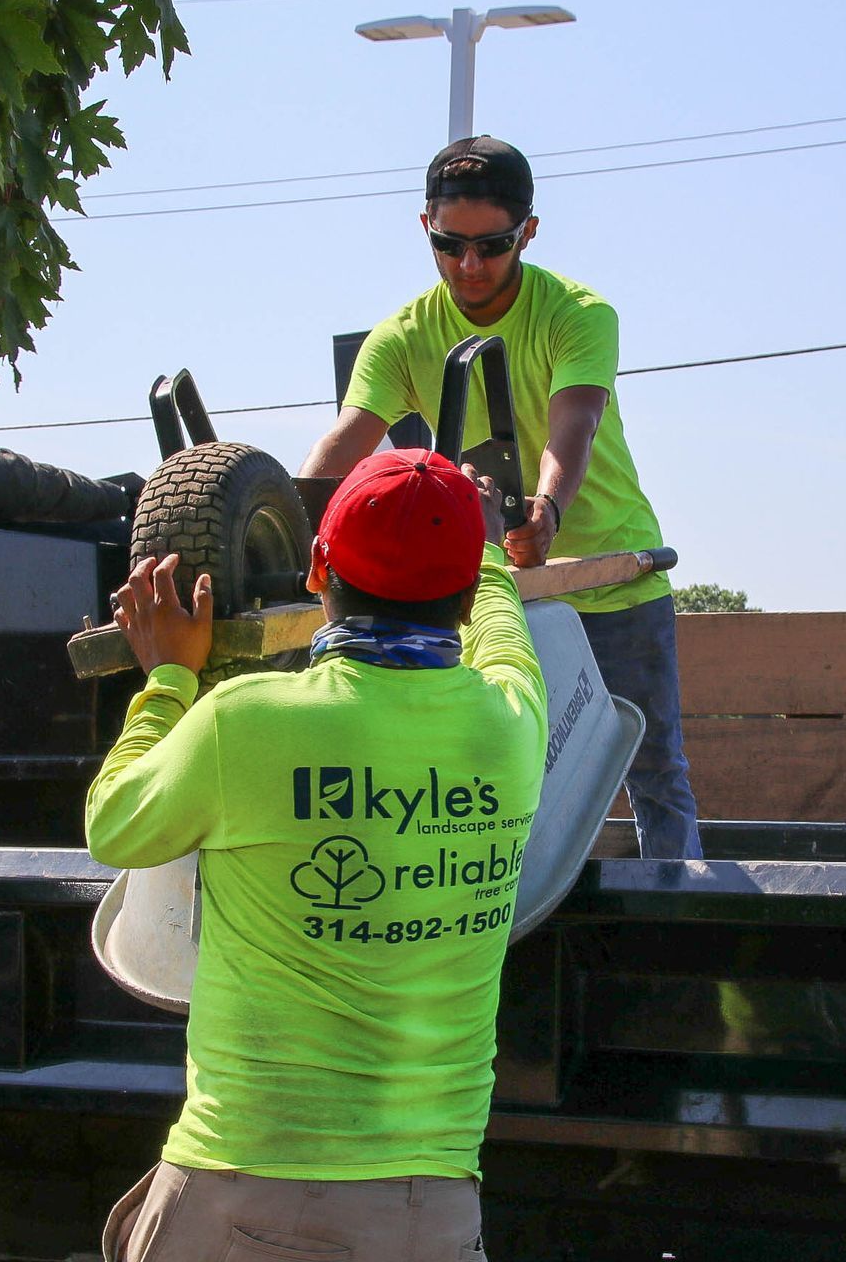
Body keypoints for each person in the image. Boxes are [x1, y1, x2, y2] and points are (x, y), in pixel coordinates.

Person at [86, 449, 549, 1262]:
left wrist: (165, 678)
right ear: (468, 594)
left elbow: (116, 828)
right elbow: (503, 630)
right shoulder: (511, 728)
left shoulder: (246, 723)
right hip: (433, 1213)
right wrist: (483, 543)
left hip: (246, 1190)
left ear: (315, 569)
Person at [301, 135, 701, 861]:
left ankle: (673, 940)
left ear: (530, 233)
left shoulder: (579, 312)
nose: (470, 266)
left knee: (655, 773)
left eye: (493, 245)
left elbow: (570, 428)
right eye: (450, 245)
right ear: (425, 227)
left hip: (612, 583)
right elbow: (342, 450)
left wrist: (544, 513)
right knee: (503, 777)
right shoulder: (401, 337)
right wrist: (297, 533)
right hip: (490, 599)